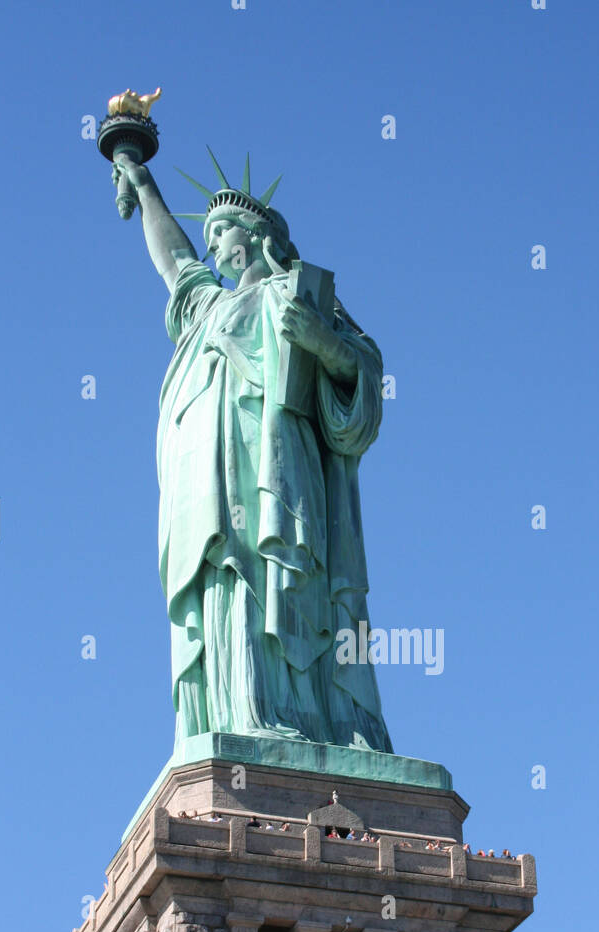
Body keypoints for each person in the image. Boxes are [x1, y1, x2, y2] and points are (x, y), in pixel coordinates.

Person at [111, 151, 393, 753]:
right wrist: (142, 180)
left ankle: (311, 724)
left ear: (259, 233)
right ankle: (242, 717)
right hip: (211, 495)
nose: (213, 248)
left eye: (222, 232)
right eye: (209, 237)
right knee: (229, 585)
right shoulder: (209, 309)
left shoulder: (300, 295)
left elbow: (364, 374)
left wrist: (321, 342)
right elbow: (177, 264)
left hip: (279, 477)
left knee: (280, 579)